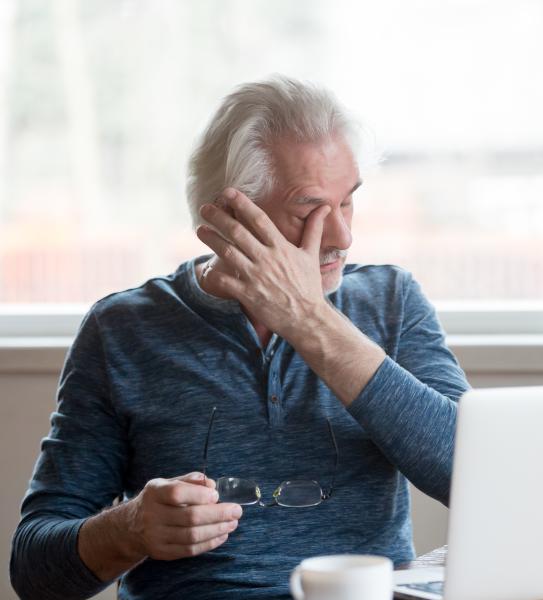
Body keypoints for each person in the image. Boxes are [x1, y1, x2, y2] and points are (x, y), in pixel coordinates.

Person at [10, 76, 469, 599]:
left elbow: (476, 477)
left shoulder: (392, 301)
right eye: (309, 210)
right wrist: (130, 527)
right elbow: (34, 571)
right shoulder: (122, 330)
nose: (342, 236)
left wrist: (308, 320)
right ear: (231, 218)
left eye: (348, 203)